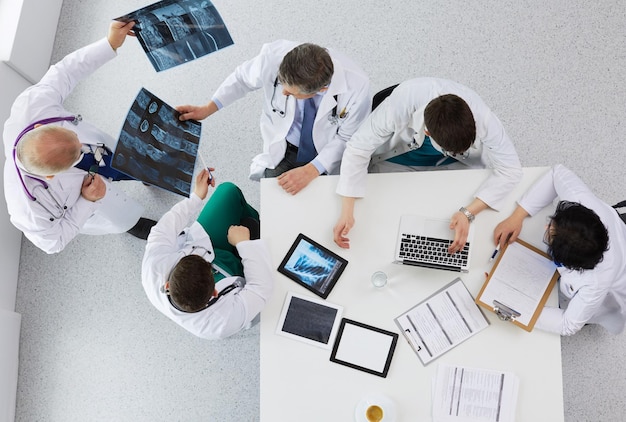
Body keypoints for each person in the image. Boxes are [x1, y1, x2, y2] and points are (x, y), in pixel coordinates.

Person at [3, 21, 155, 254]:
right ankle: (132, 224)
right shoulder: (27, 208)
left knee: (127, 160)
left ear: (42, 125)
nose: (81, 146)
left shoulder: (32, 108)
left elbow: (66, 71)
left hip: (104, 155)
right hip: (92, 198)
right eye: (76, 153)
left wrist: (109, 44)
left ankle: (144, 174)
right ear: (52, 174)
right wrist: (87, 201)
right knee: (122, 216)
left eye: (72, 135)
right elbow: (54, 243)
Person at [333, 77, 522, 252]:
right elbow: (357, 149)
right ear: (428, 133)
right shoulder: (401, 103)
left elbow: (511, 169)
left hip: (453, 168)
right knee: (385, 227)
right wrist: (347, 211)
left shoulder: (482, 117)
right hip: (397, 162)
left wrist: (468, 213)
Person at [177, 40, 371, 195]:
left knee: (321, 212)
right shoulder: (274, 57)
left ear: (321, 89)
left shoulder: (356, 86)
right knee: (277, 205)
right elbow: (241, 79)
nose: (283, 92)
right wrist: (207, 109)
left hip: (327, 155)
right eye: (283, 84)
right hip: (284, 148)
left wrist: (313, 169)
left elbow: (346, 138)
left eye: (292, 93)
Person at [494, 165, 626, 336]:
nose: (545, 226)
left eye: (550, 232)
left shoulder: (595, 284)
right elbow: (557, 173)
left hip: (616, 286)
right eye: (552, 223)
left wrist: (517, 306)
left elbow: (568, 325)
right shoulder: (582, 204)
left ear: (567, 261)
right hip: (618, 234)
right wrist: (517, 216)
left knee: (585, 310)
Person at [142, 169, 274, 340]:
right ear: (215, 293)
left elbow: (163, 229)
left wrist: (196, 196)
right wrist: (244, 244)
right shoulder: (219, 324)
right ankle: (256, 232)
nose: (208, 261)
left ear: (167, 285)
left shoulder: (153, 268)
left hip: (206, 243)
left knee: (228, 191)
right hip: (238, 282)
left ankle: (256, 225)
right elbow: (262, 287)